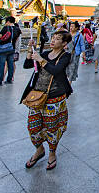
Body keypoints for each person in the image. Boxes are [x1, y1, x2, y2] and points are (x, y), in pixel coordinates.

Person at [22, 30, 72, 171]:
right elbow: (27, 65)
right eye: (53, 37)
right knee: (33, 127)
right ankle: (39, 150)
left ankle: (52, 153)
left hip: (54, 97)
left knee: (52, 128)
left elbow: (56, 70)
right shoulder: (44, 54)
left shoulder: (65, 56)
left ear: (64, 43)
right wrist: (29, 51)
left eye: (57, 39)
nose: (53, 40)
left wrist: (41, 60)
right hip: (37, 96)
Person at [0, 16, 20, 87]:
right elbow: (18, 41)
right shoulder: (17, 29)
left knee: (1, 65)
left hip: (3, 49)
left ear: (8, 21)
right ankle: (9, 79)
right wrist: (16, 50)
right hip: (12, 49)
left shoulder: (5, 28)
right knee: (10, 64)